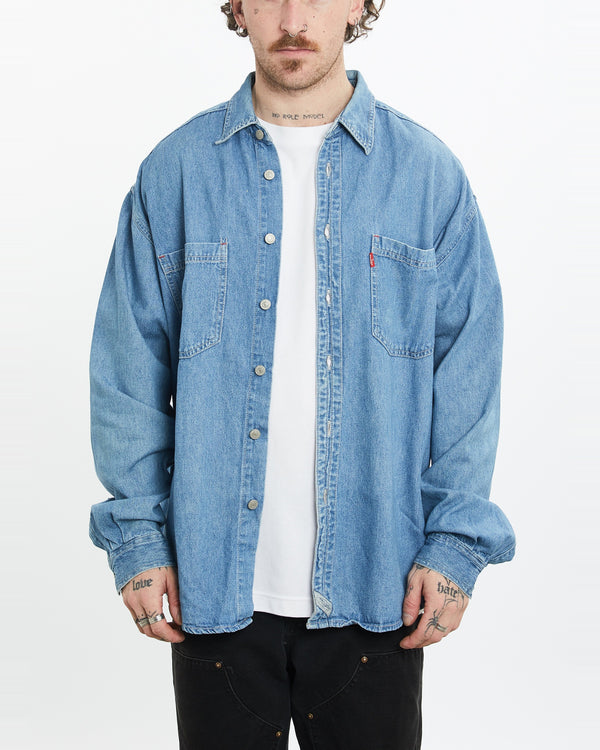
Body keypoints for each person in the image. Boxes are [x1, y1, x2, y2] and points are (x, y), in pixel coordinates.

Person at [88, 1, 516, 747]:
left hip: (378, 588)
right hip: (212, 590)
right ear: (237, 6)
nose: (292, 17)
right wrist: (139, 542)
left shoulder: (427, 176)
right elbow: (128, 370)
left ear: (358, 4)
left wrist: (455, 544)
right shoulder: (177, 172)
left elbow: (468, 378)